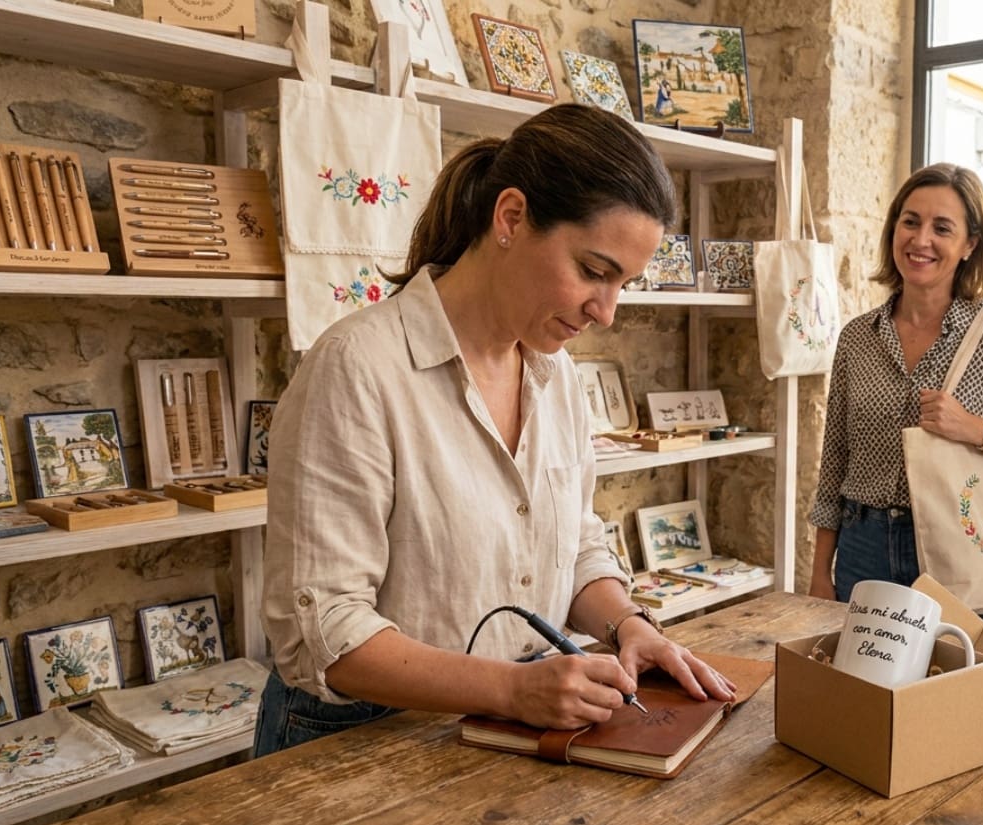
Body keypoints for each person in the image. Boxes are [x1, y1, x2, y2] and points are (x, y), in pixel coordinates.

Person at [256, 104, 735, 757]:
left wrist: (627, 625)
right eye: (594, 271)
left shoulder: (557, 376)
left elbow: (576, 541)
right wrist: (511, 690)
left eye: (623, 283)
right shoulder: (357, 370)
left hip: (503, 731)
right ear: (510, 218)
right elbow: (325, 637)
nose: (607, 311)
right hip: (358, 739)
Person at [807, 163, 983, 630]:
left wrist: (976, 429)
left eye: (942, 228)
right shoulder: (856, 338)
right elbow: (835, 462)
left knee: (970, 694)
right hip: (863, 547)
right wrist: (819, 573)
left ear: (970, 245)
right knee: (866, 695)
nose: (921, 240)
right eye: (910, 221)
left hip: (965, 547)